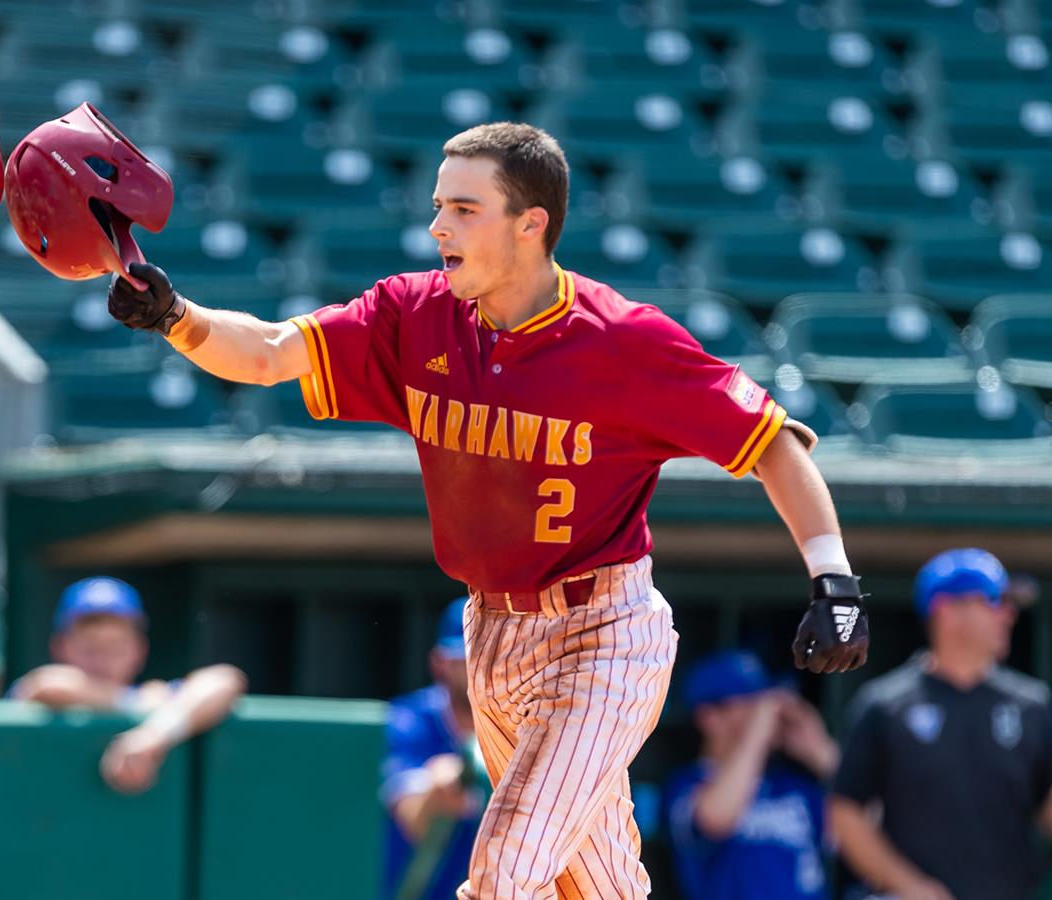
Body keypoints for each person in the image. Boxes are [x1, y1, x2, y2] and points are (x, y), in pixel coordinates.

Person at [89, 121, 871, 897]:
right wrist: (175, 318)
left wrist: (833, 578)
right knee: (596, 887)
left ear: (531, 225)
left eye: (464, 209)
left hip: (603, 634)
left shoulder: (622, 341)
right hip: (490, 637)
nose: (437, 225)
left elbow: (773, 442)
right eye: (438, 205)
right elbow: (266, 353)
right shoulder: (414, 314)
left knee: (504, 871)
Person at [830, 548, 1052, 900]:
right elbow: (846, 813)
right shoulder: (886, 705)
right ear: (947, 611)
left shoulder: (1033, 705)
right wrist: (909, 885)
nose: (1008, 616)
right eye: (995, 602)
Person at [12, 576, 247, 794]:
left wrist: (153, 736)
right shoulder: (143, 700)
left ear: (139, 651)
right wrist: (136, 703)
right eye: (90, 647)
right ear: (60, 647)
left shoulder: (158, 704)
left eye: (116, 646)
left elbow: (225, 680)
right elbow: (47, 685)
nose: (103, 658)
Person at [664, 650, 838, 900]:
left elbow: (866, 832)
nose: (765, 715)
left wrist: (822, 753)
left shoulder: (793, 786)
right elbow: (714, 818)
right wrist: (755, 736)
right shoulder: (687, 784)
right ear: (708, 717)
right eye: (750, 704)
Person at [384, 598, 487, 900]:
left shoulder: (525, 723)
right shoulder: (409, 721)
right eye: (468, 658)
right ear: (441, 663)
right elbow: (411, 816)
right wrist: (441, 786)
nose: (482, 668)